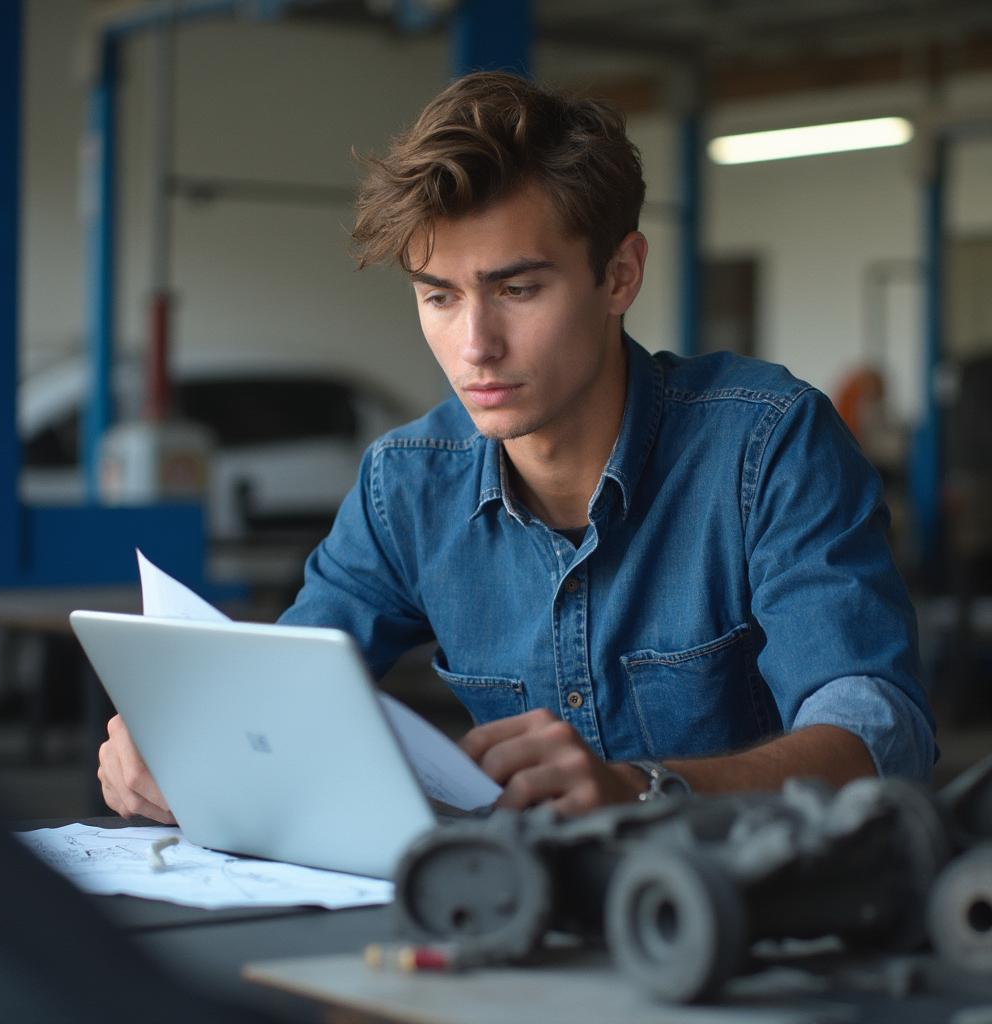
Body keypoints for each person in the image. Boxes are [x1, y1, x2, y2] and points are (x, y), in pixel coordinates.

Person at [98, 71, 935, 824]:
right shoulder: (407, 485)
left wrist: (647, 788)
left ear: (620, 275)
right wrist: (189, 751)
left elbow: (876, 731)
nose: (475, 346)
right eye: (439, 297)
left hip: (760, 923)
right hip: (520, 925)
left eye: (518, 289)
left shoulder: (767, 445)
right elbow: (278, 704)